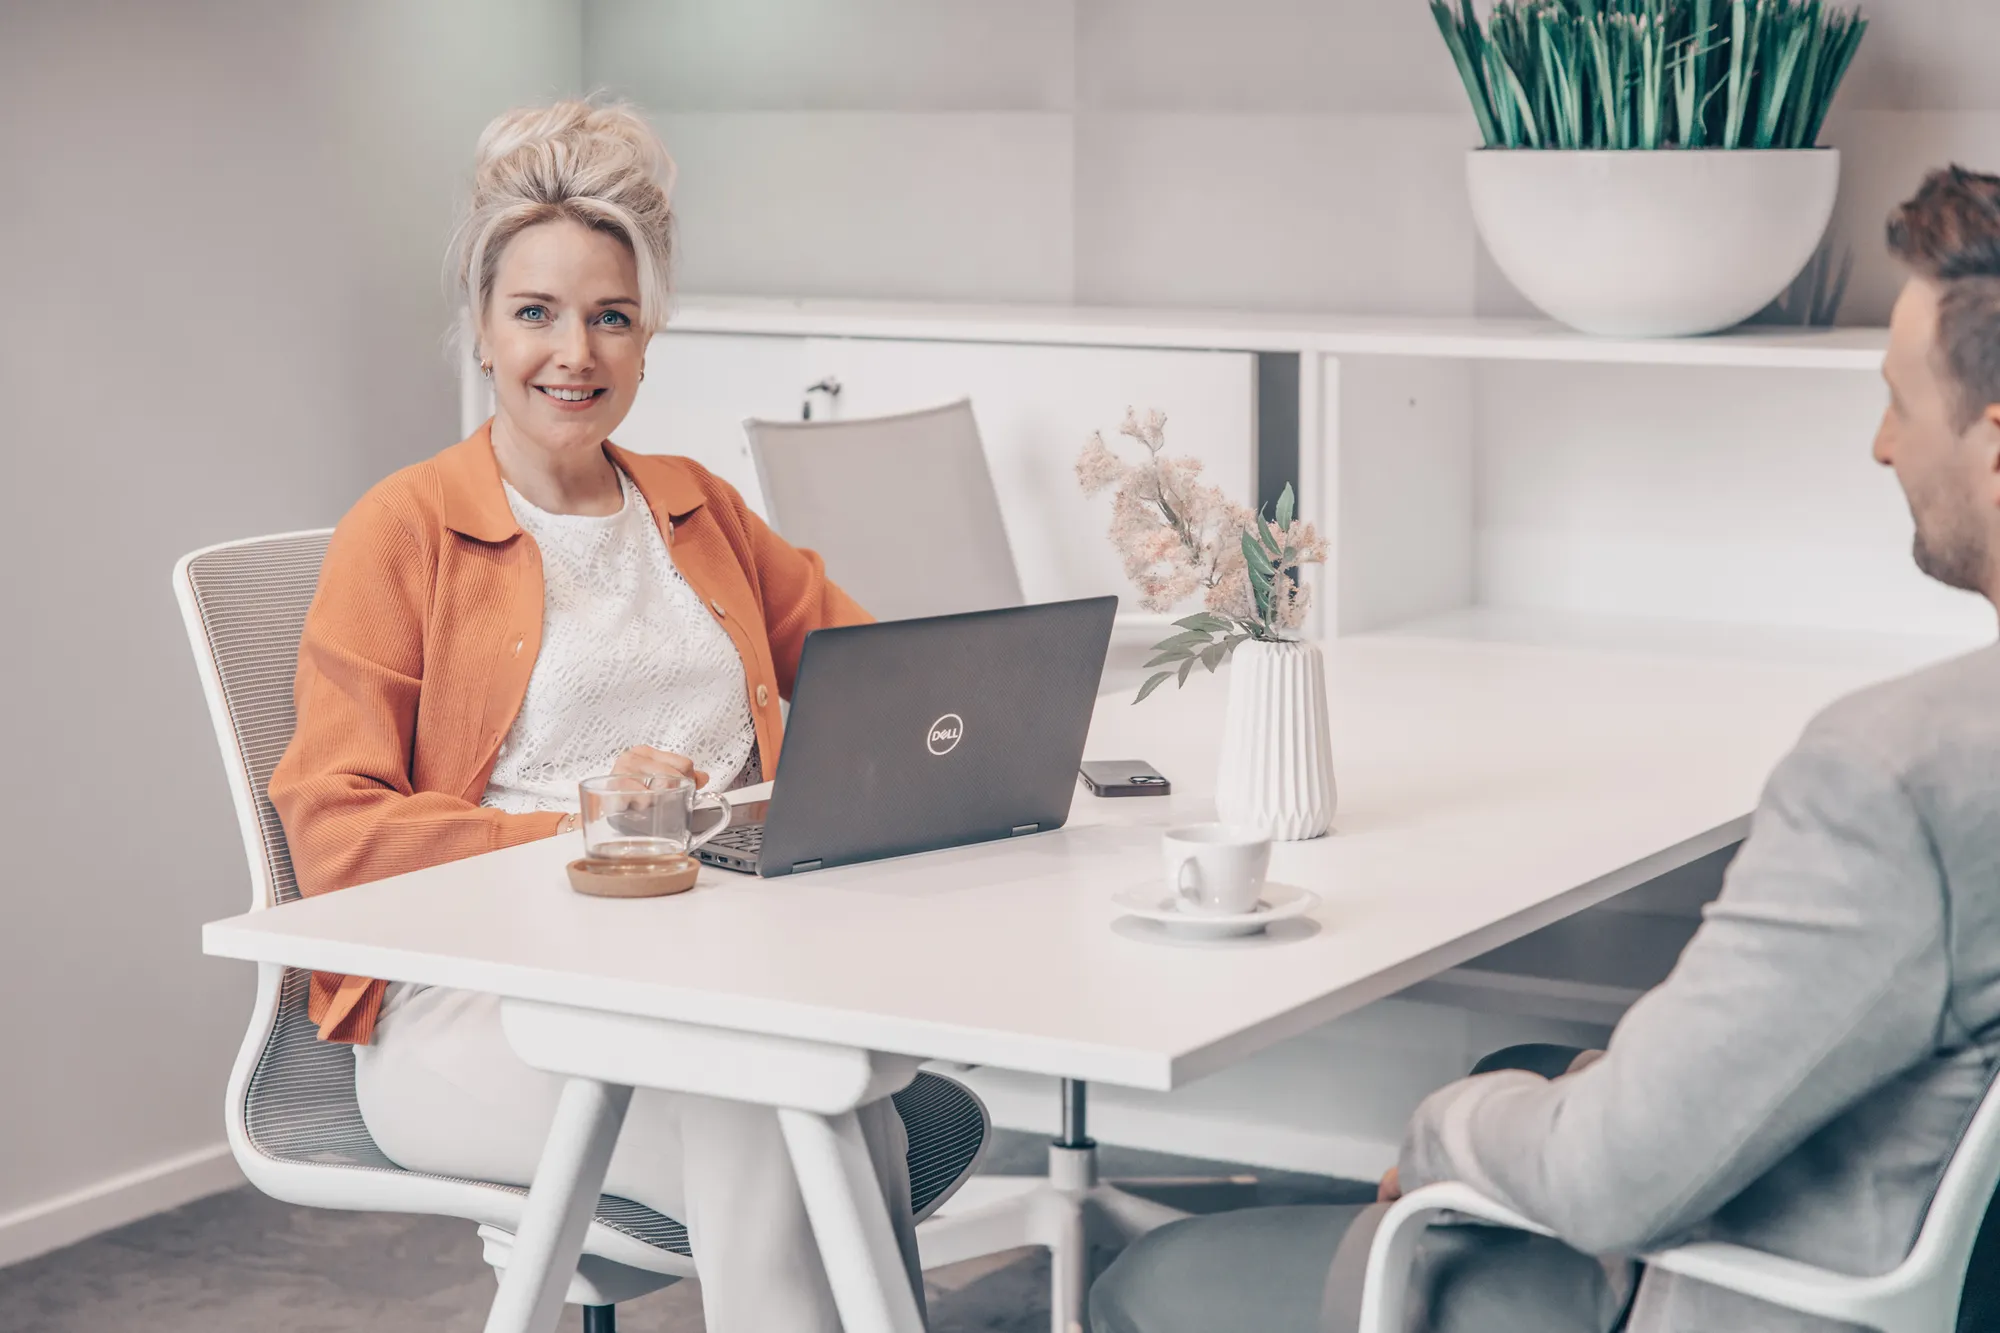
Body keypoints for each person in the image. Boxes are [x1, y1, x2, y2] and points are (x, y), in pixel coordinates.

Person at [1090, 164, 2000, 1333]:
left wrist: (1438, 1131)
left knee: (1156, 1287)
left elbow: (1607, 1182)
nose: (1879, 447)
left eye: (1898, 404)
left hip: (1729, 1295)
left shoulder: (1889, 776)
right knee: (1535, 1060)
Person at [268, 100, 937, 1332]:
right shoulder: (403, 527)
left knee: (826, 1099)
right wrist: (602, 834)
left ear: (647, 340)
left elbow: (882, 676)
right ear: (479, 329)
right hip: (474, 1006)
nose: (572, 351)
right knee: (785, 1115)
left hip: (714, 969)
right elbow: (336, 833)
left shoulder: (693, 505)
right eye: (535, 312)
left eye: (610, 316)